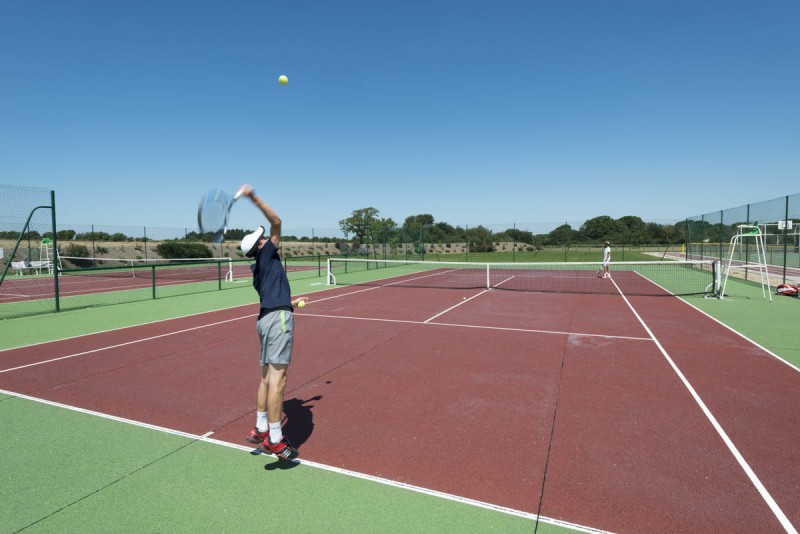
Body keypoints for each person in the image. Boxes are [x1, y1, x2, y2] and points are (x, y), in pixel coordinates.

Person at [239, 184, 307, 460]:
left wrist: (289, 302)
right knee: (279, 381)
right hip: (278, 318)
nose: (267, 239)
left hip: (266, 318)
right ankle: (276, 440)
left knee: (267, 378)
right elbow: (277, 221)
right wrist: (253, 196)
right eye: (263, 239)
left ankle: (260, 427)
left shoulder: (259, 267)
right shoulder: (267, 253)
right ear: (260, 247)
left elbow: (275, 291)